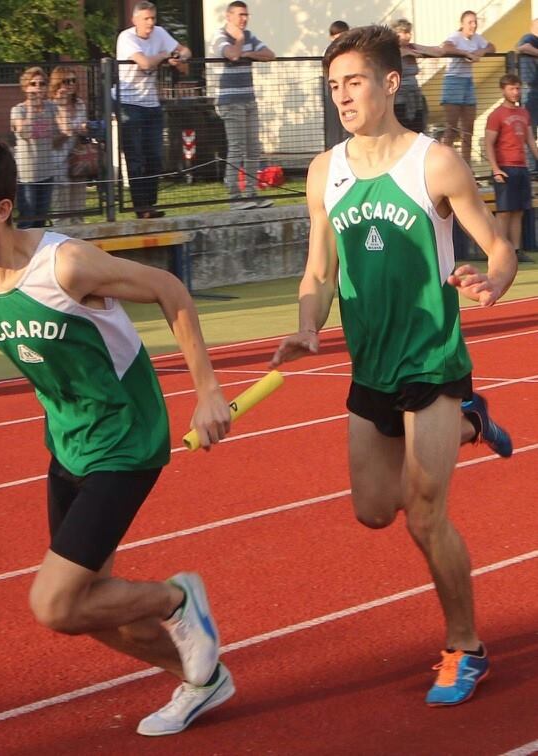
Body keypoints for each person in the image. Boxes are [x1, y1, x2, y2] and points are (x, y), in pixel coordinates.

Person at [0, 128, 235, 736]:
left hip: (127, 438)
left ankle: (176, 600)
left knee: (53, 603)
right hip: (68, 443)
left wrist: (208, 393)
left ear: (0, 210)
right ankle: (202, 679)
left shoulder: (64, 265)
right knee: (87, 608)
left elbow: (169, 290)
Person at [270, 25, 516, 708]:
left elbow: (499, 248)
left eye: (353, 82)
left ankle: (466, 646)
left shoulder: (433, 164)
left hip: (433, 359)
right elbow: (318, 269)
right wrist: (306, 325)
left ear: (389, 82)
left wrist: (494, 281)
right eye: (333, 87)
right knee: (376, 510)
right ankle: (470, 424)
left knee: (425, 516)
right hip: (370, 367)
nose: (342, 97)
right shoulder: (326, 171)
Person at [115, 1, 191, 219]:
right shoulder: (126, 37)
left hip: (151, 103)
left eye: (153, 18)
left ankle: (150, 204)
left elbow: (184, 50)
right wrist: (165, 56)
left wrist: (179, 57)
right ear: (135, 20)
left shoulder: (160, 33)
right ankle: (140, 207)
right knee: (136, 156)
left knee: (155, 156)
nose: (150, 23)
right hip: (128, 103)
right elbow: (145, 63)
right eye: (146, 19)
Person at [209, 2, 275, 210]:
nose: (244, 19)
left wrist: (248, 54)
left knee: (252, 148)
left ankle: (251, 193)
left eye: (246, 15)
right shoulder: (220, 36)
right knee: (236, 147)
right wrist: (238, 40)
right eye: (240, 15)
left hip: (249, 99)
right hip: (230, 102)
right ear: (229, 16)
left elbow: (269, 54)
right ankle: (234, 196)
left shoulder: (250, 36)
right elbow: (232, 54)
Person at [484, 74, 537, 263]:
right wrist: (495, 168)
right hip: (504, 167)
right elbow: (489, 144)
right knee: (504, 211)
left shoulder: (524, 113)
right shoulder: (496, 115)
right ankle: (499, 251)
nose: (515, 92)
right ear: (503, 90)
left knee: (519, 211)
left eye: (518, 88)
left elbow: (530, 140)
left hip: (522, 167)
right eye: (511, 88)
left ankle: (516, 250)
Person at [10, 67, 65, 229]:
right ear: (25, 87)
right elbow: (25, 133)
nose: (38, 87)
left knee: (41, 219)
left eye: (42, 84)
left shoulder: (51, 108)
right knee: (28, 219)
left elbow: (62, 133)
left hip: (47, 172)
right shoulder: (18, 110)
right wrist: (33, 108)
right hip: (26, 176)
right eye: (33, 84)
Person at [440, 10, 495, 165]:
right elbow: (446, 47)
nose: (473, 25)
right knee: (451, 128)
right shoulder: (456, 37)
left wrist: (481, 51)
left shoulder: (477, 38)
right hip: (453, 81)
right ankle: (443, 164)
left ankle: (466, 167)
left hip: (468, 82)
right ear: (462, 24)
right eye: (470, 22)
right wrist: (465, 53)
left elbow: (492, 46)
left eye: (475, 22)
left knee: (468, 128)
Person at [49, 66, 89, 224]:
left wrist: (84, 131)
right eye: (67, 81)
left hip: (77, 159)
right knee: (61, 214)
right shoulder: (51, 106)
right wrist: (68, 132)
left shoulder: (79, 104)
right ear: (58, 83)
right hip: (57, 161)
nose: (71, 84)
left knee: (78, 211)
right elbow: (52, 141)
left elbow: (82, 130)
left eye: (74, 80)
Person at [391, 18, 442, 132]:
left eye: (409, 32)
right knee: (402, 126)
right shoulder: (391, 49)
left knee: (417, 127)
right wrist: (409, 52)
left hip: (414, 93)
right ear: (396, 34)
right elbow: (399, 53)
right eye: (404, 32)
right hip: (400, 96)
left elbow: (437, 51)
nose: (408, 35)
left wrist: (420, 51)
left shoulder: (412, 47)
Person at [325, 21, 351, 149]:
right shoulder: (329, 53)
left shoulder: (354, 53)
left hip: (349, 93)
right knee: (335, 124)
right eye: (336, 37)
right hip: (333, 93)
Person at [516, 19, 538, 170]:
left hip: (534, 89)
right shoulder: (529, 38)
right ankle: (532, 168)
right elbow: (523, 47)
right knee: (530, 129)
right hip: (530, 90)